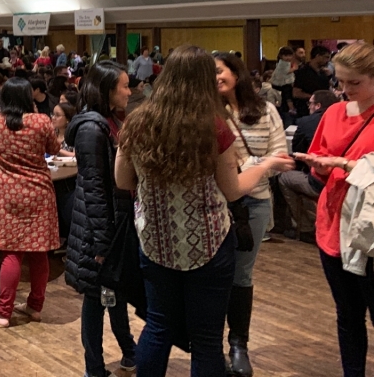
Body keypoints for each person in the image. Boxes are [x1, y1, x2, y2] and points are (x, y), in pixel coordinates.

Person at [115, 45, 292, 377]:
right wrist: (267, 163)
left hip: (155, 241)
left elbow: (123, 179)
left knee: (158, 326)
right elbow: (233, 189)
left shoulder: (137, 122)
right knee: (207, 339)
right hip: (208, 243)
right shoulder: (213, 126)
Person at [294, 42, 374, 377]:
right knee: (348, 313)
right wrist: (321, 166)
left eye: (355, 83)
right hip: (333, 227)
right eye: (340, 82)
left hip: (368, 231)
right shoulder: (333, 113)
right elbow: (318, 172)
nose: (345, 90)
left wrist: (341, 162)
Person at [214, 51, 288, 376]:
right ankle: (210, 344)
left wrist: (244, 169)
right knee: (214, 274)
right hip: (214, 204)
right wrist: (257, 165)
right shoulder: (206, 112)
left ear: (236, 72)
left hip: (254, 204)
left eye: (220, 71)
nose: (215, 78)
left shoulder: (264, 110)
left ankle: (238, 344)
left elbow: (281, 156)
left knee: (241, 275)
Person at [66, 61, 137, 377]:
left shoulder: (107, 122)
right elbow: (96, 189)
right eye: (124, 85)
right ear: (108, 89)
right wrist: (101, 241)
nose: (129, 91)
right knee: (97, 299)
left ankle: (129, 353)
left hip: (111, 223)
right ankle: (94, 368)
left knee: (111, 294)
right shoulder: (93, 129)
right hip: (100, 226)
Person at [0, 77, 60, 327]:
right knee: (38, 252)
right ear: (28, 97)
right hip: (39, 192)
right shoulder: (42, 121)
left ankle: (4, 313)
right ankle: (34, 307)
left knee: (12, 253)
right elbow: (53, 148)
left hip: (8, 193)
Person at [280, 89, 337, 243]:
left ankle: (304, 227)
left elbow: (297, 150)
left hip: (320, 180)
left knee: (285, 177)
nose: (309, 106)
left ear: (317, 105)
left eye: (310, 103)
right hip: (341, 179)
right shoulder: (343, 120)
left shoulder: (305, 122)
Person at [293, 45, 332, 118]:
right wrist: (314, 97)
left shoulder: (323, 73)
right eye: (326, 57)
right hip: (305, 111)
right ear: (318, 56)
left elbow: (328, 88)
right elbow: (296, 93)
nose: (328, 60)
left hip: (323, 110)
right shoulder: (302, 72)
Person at [270, 47, 295, 114]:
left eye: (290, 55)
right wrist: (294, 68)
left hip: (283, 82)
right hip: (281, 83)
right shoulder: (283, 63)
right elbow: (286, 71)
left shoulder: (286, 62)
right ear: (281, 56)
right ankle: (291, 108)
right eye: (285, 56)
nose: (288, 57)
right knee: (288, 95)